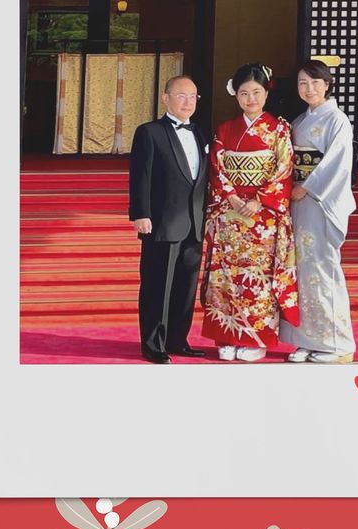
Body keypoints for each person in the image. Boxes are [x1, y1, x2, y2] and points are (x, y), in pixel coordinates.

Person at [200, 63, 298, 362]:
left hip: (262, 218)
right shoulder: (225, 129)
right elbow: (217, 168)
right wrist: (230, 197)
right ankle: (225, 336)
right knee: (226, 278)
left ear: (266, 93)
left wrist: (259, 199)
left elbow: (284, 168)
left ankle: (256, 339)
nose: (250, 99)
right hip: (230, 217)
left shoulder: (279, 129)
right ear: (236, 95)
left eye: (256, 92)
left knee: (257, 280)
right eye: (244, 93)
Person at [279, 60, 357, 363]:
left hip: (319, 201)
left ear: (327, 84)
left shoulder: (337, 120)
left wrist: (307, 187)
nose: (308, 89)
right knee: (301, 271)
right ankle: (309, 339)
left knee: (322, 270)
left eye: (314, 82)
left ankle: (337, 343)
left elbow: (337, 164)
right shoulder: (299, 121)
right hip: (298, 202)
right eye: (302, 83)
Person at [128, 75, 209, 364]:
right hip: (161, 222)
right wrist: (140, 213)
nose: (188, 102)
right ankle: (153, 344)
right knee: (157, 285)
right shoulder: (149, 132)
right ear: (166, 98)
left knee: (186, 287)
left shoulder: (201, 133)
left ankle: (177, 339)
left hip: (195, 223)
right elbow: (141, 175)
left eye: (193, 97)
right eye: (181, 96)